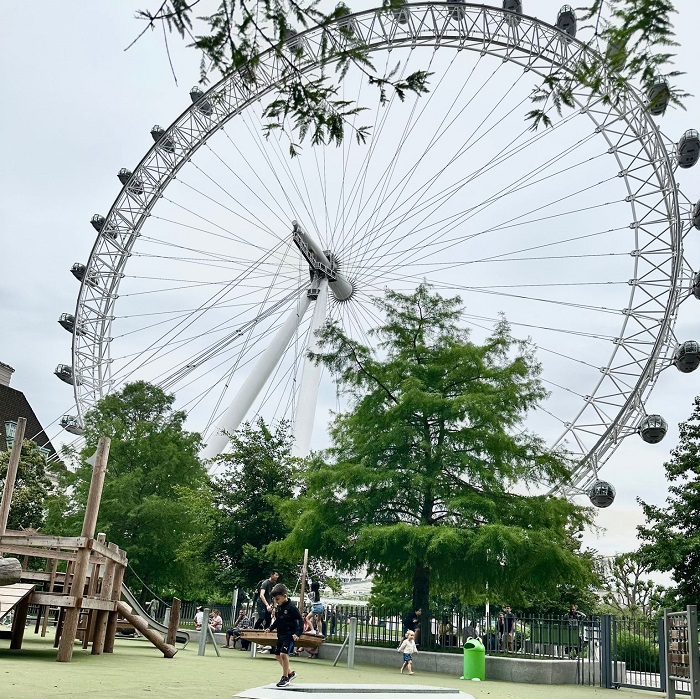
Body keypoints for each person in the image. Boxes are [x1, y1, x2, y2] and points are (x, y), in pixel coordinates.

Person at [267, 583, 303, 688]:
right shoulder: (279, 608)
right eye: (275, 599)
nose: (276, 601)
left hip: (290, 635)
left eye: (277, 599)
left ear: (284, 596)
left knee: (283, 654)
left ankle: (285, 677)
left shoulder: (291, 608)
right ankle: (290, 673)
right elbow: (278, 621)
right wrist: (270, 628)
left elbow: (300, 620)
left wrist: (297, 633)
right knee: (277, 656)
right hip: (281, 635)